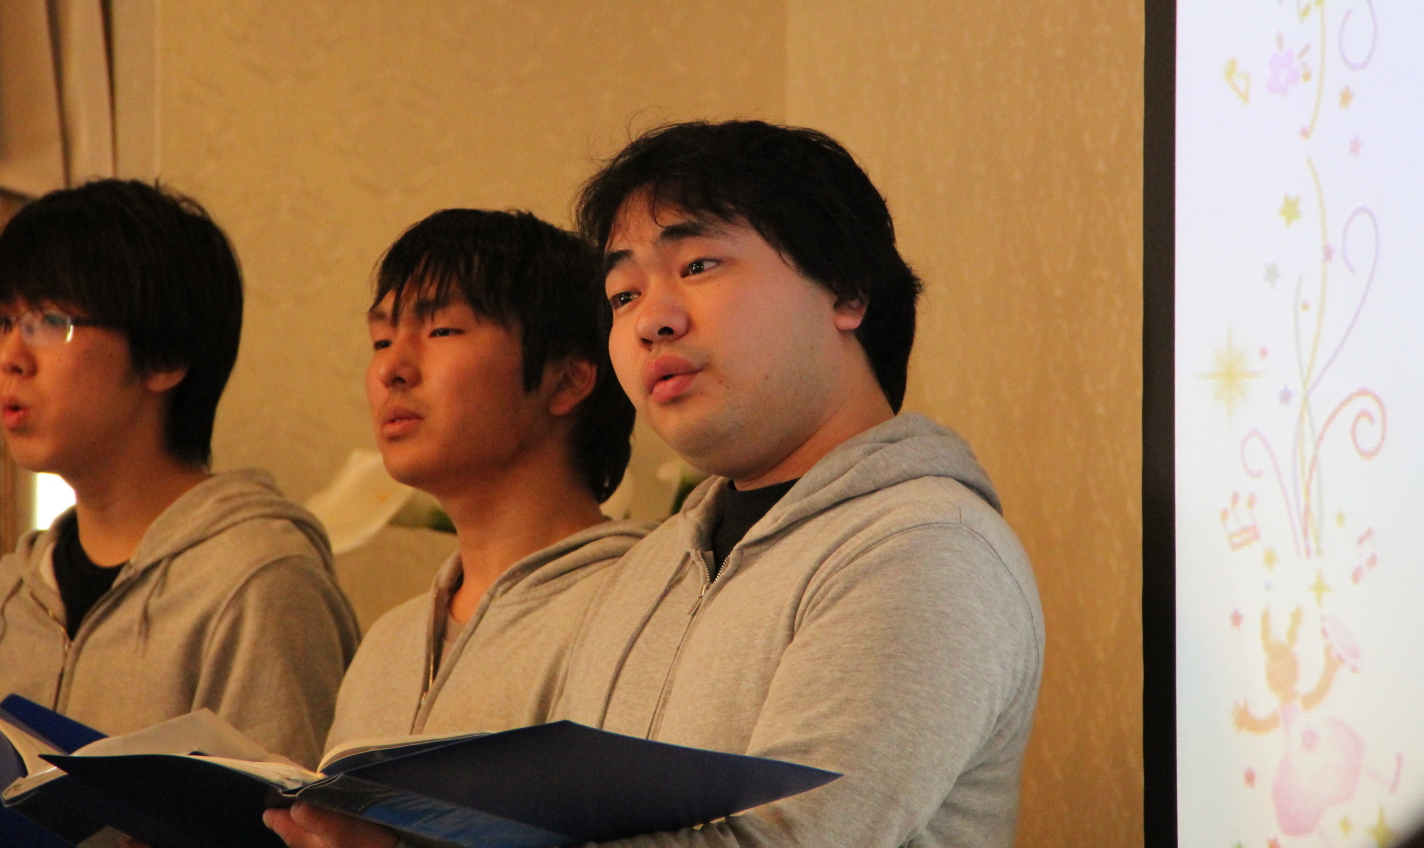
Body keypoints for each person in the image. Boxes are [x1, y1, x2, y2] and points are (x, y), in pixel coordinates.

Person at [268, 120, 1044, 848]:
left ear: (845, 290)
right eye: (623, 295)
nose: (650, 321)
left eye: (698, 265)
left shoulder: (924, 548)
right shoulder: (651, 570)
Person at [0, 179, 359, 768]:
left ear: (165, 356)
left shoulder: (259, 585)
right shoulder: (7, 598)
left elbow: (282, 815)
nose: (9, 357)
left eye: (48, 320)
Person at [311, 209, 652, 756]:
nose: (391, 370)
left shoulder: (645, 610)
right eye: (380, 340)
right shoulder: (385, 647)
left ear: (567, 379)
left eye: (441, 330)